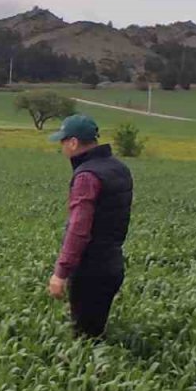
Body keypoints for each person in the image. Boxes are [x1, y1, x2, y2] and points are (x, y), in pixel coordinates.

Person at [45, 114, 133, 338]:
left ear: (73, 143)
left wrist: (60, 273)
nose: (62, 148)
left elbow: (79, 229)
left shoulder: (87, 176)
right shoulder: (119, 168)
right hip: (112, 263)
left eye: (63, 142)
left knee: (85, 341)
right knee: (95, 331)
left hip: (90, 270)